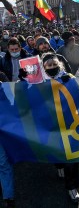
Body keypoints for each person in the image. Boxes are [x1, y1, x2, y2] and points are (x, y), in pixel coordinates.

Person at [40, 52, 79, 203]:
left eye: (54, 65)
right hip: (50, 124)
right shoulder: (38, 82)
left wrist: (71, 83)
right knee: (56, 151)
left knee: (71, 156)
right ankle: (58, 165)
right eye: (48, 65)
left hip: (69, 123)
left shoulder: (68, 78)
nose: (52, 67)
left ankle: (72, 188)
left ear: (59, 64)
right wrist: (24, 79)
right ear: (44, 67)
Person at [0, 71, 15, 208]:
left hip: (2, 130)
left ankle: (8, 197)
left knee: (3, 164)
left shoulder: (2, 86)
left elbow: (13, 101)